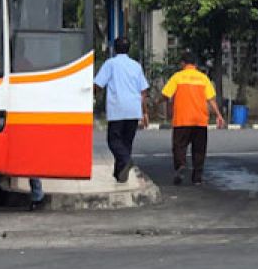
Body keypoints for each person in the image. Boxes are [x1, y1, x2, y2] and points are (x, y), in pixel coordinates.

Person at [161, 51, 225, 186]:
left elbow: (166, 94)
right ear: (195, 64)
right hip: (200, 120)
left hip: (182, 119)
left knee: (179, 146)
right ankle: (197, 177)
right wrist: (219, 115)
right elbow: (211, 99)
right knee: (199, 149)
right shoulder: (203, 78)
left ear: (183, 64)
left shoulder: (177, 77)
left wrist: (157, 103)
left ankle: (181, 166)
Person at [93, 37, 149, 182]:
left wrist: (91, 95)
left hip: (117, 109)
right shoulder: (136, 65)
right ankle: (120, 175)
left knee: (113, 141)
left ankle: (126, 160)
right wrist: (145, 112)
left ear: (114, 49)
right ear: (129, 49)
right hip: (134, 109)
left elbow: (98, 84)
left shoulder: (110, 64)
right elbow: (143, 91)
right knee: (126, 142)